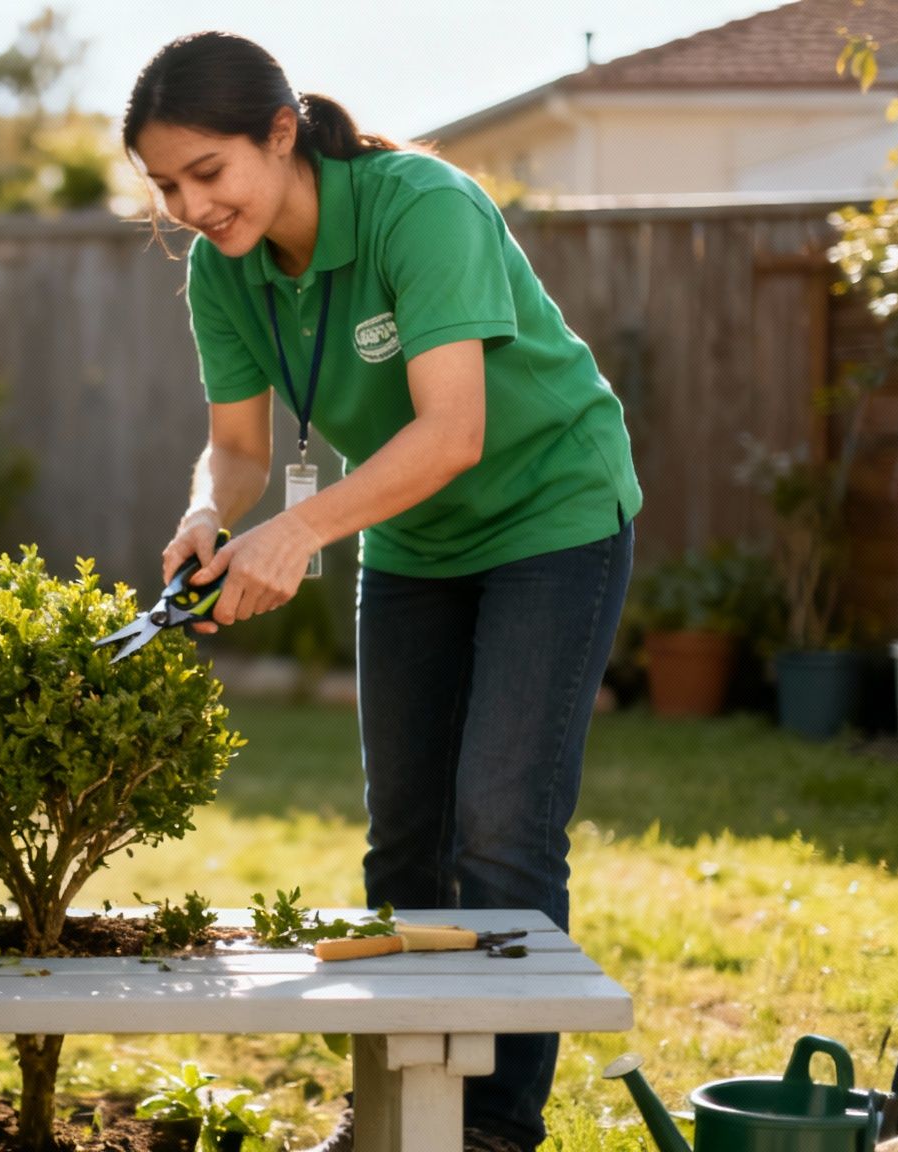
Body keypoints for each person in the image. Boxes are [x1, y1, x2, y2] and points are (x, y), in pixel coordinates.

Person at [125, 32, 641, 1152]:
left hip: (548, 512)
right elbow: (236, 447)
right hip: (410, 538)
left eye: (205, 173)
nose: (189, 206)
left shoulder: (422, 207)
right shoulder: (224, 271)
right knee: (402, 843)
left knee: (499, 830)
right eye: (165, 185)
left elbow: (452, 431)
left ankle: (493, 1128)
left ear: (277, 133)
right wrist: (206, 514)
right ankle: (402, 1111)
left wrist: (300, 532)